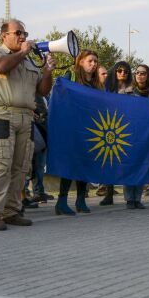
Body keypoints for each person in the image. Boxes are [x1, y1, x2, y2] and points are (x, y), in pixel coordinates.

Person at [0, 19, 54, 230]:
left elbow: (42, 90)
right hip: (3, 114)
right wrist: (23, 52)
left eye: (25, 33)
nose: (23, 37)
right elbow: (1, 67)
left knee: (21, 167)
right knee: (1, 165)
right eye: (18, 33)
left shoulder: (29, 60)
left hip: (26, 116)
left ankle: (11, 211)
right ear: (4, 35)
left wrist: (47, 71)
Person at [55, 49, 104, 216]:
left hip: (90, 129)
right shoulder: (71, 77)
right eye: (90, 61)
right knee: (70, 164)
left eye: (95, 61)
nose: (93, 64)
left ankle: (81, 200)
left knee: (85, 164)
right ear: (81, 62)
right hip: (72, 128)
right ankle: (61, 201)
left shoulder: (97, 85)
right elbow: (59, 96)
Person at [97, 61, 133, 205]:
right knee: (109, 162)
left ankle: (130, 196)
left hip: (128, 127)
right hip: (110, 127)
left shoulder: (133, 88)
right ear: (115, 72)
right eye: (119, 70)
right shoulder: (107, 88)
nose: (122, 73)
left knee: (127, 162)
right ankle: (109, 194)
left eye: (126, 71)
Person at [125, 64, 149, 209]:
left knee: (142, 166)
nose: (140, 75)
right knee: (129, 166)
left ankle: (137, 198)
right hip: (128, 134)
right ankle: (129, 199)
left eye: (143, 73)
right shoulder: (126, 93)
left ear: (147, 75)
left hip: (146, 136)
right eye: (137, 73)